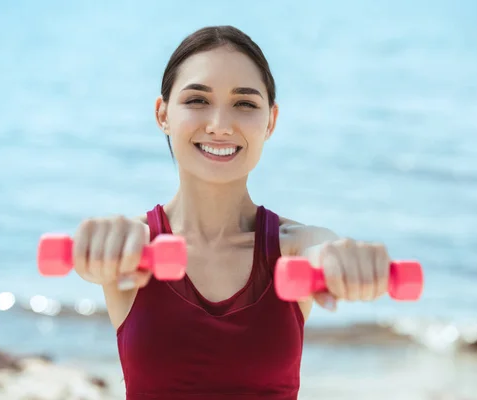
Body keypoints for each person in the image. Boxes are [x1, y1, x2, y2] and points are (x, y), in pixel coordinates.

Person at [72, 25, 393, 400]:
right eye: (196, 100)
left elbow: (323, 249)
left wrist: (343, 260)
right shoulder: (134, 247)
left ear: (270, 121)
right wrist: (97, 247)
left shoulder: (295, 247)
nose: (220, 126)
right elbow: (94, 255)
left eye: (244, 104)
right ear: (162, 114)